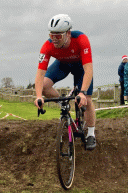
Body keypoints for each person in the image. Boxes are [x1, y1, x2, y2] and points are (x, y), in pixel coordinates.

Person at [34, 14, 96, 150]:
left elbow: (88, 69)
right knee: (44, 86)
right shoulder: (47, 46)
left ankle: (91, 133)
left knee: (88, 100)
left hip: (80, 67)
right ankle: (63, 102)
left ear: (68, 33)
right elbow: (40, 74)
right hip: (62, 64)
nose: (54, 39)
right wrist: (39, 96)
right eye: (51, 35)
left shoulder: (81, 39)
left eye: (58, 36)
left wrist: (83, 92)